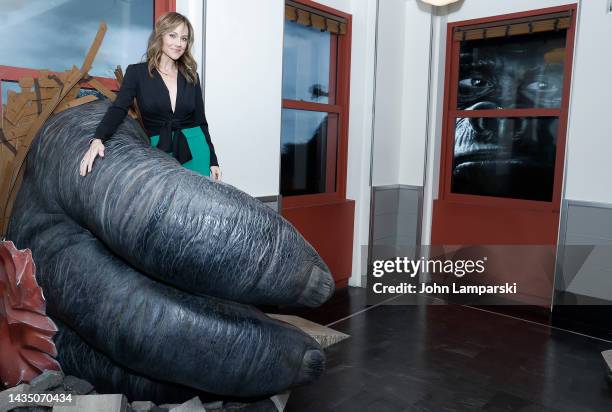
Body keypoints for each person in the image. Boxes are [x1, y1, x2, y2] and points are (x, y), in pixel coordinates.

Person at [79, 12, 221, 180]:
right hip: (160, 150)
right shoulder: (136, 73)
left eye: (184, 38)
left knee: (199, 204)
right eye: (173, 35)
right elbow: (118, 108)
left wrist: (213, 159)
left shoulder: (192, 76)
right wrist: (98, 139)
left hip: (196, 148)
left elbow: (201, 122)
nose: (179, 44)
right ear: (160, 36)